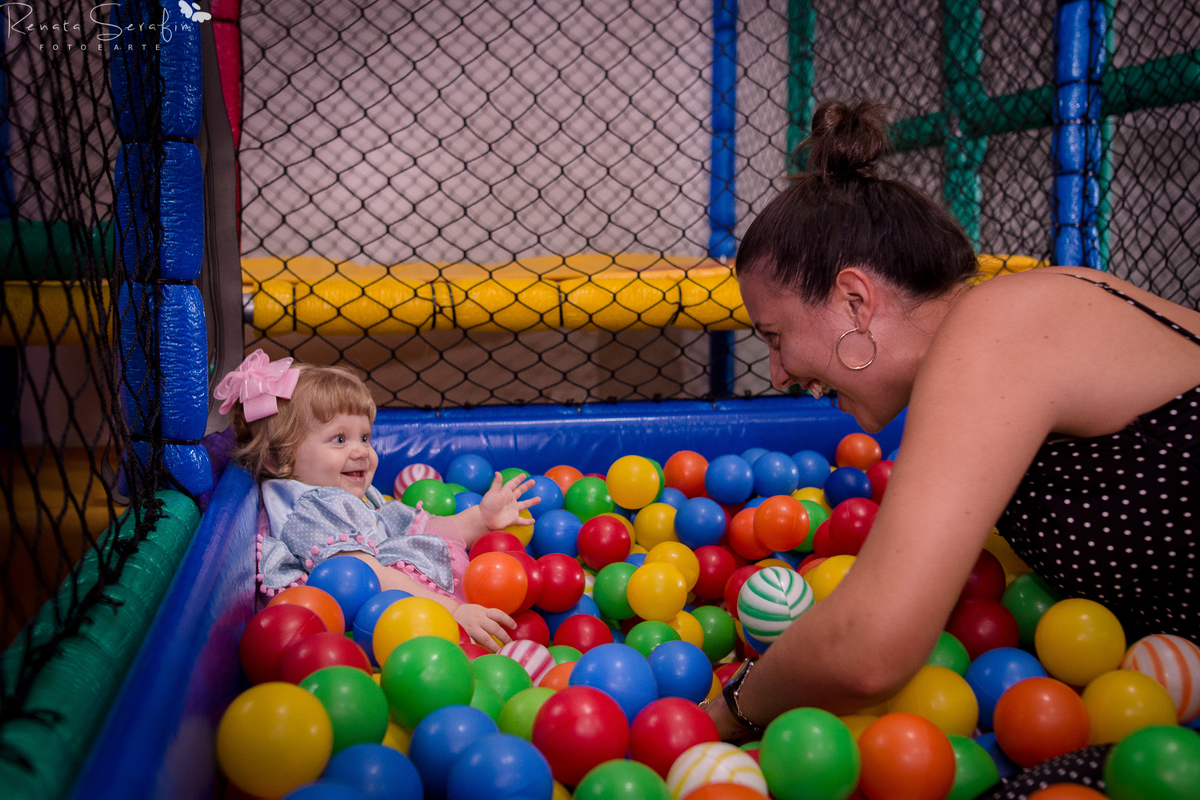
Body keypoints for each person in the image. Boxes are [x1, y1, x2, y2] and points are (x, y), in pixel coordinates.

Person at [705, 99, 1199, 792]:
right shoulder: (1014, 328)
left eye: (775, 336)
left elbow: (871, 646)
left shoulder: (1000, 327)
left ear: (854, 300)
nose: (780, 373)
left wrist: (727, 709)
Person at [215, 349, 538, 651]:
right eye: (339, 439)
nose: (361, 451)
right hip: (371, 624)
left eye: (365, 437)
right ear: (279, 457)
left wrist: (482, 518)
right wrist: (453, 610)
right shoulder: (313, 508)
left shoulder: (347, 494)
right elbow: (366, 573)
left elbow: (419, 532)